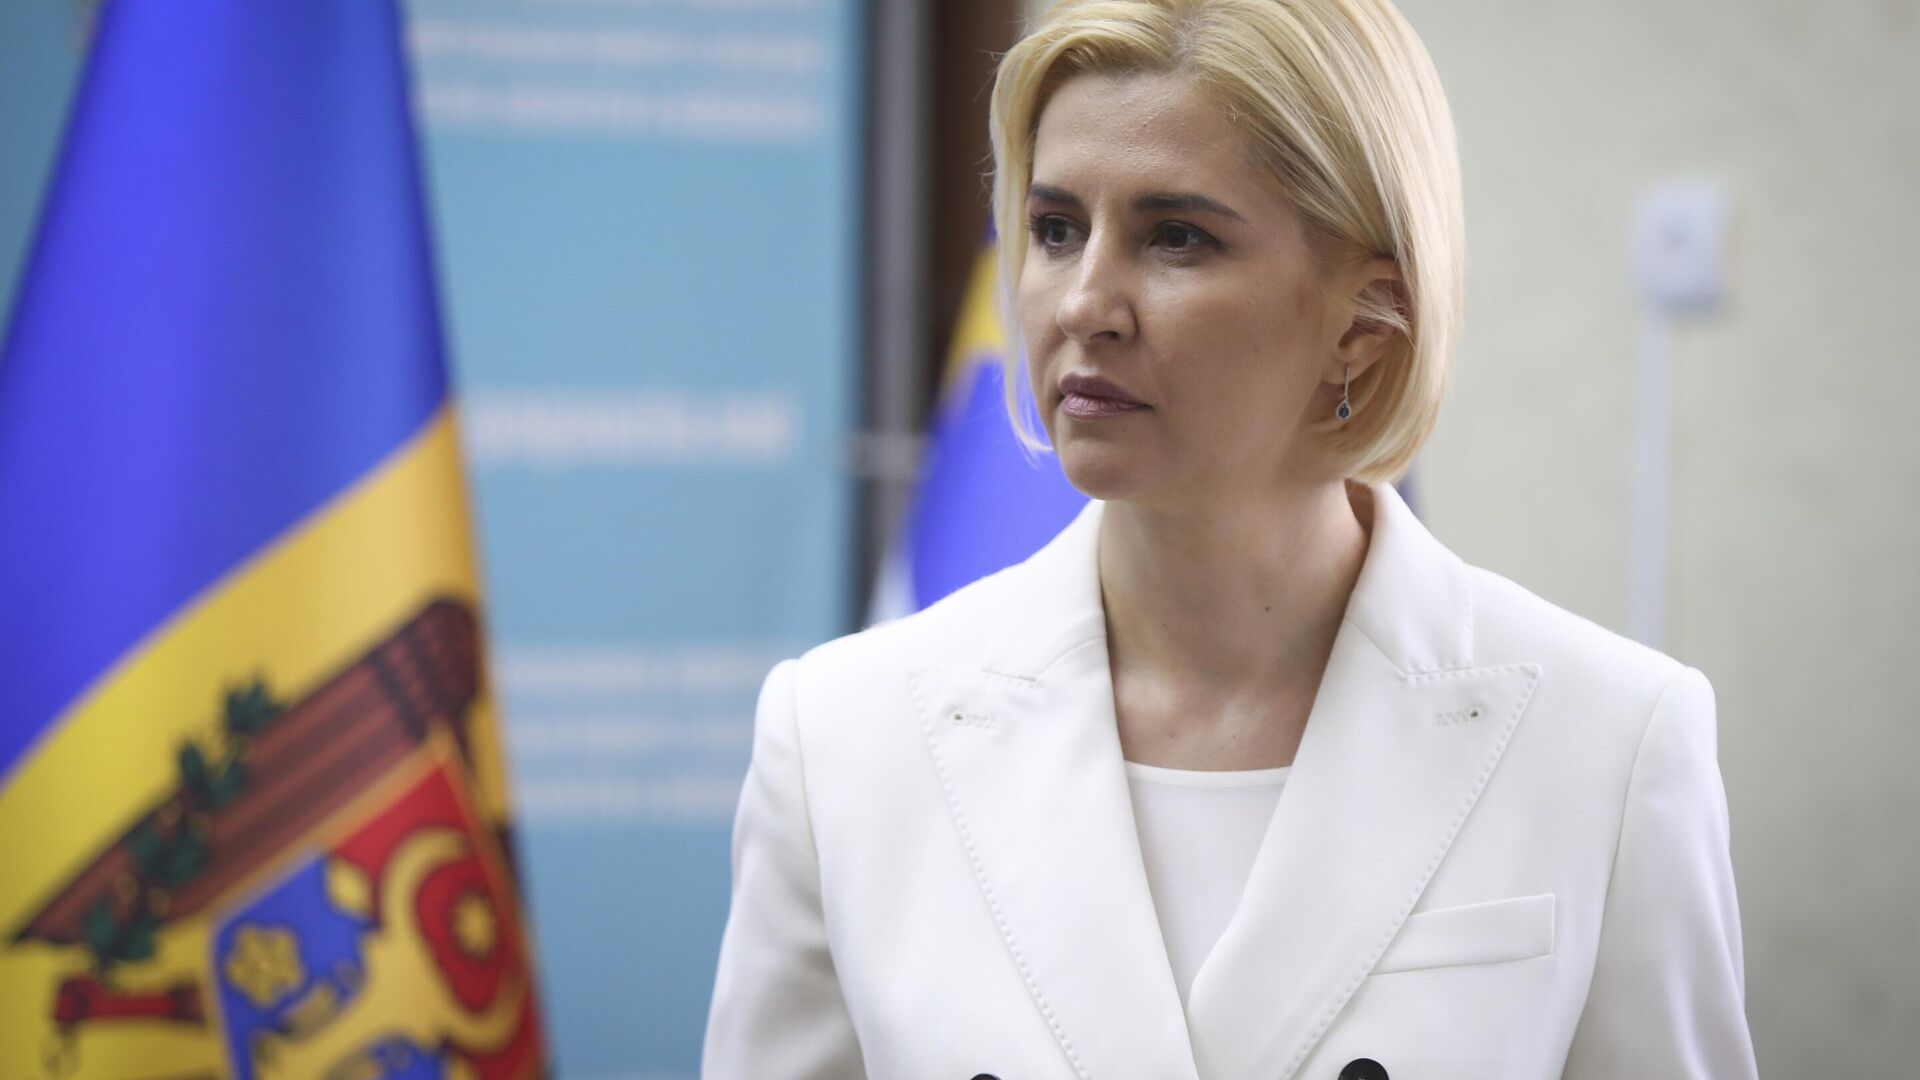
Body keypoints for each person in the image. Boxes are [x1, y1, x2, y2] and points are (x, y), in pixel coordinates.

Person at [702, 0, 1757, 1076]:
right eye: (1056, 229)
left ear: (1364, 321)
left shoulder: (1610, 740)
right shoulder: (843, 737)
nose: (1085, 305)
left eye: (1177, 237)